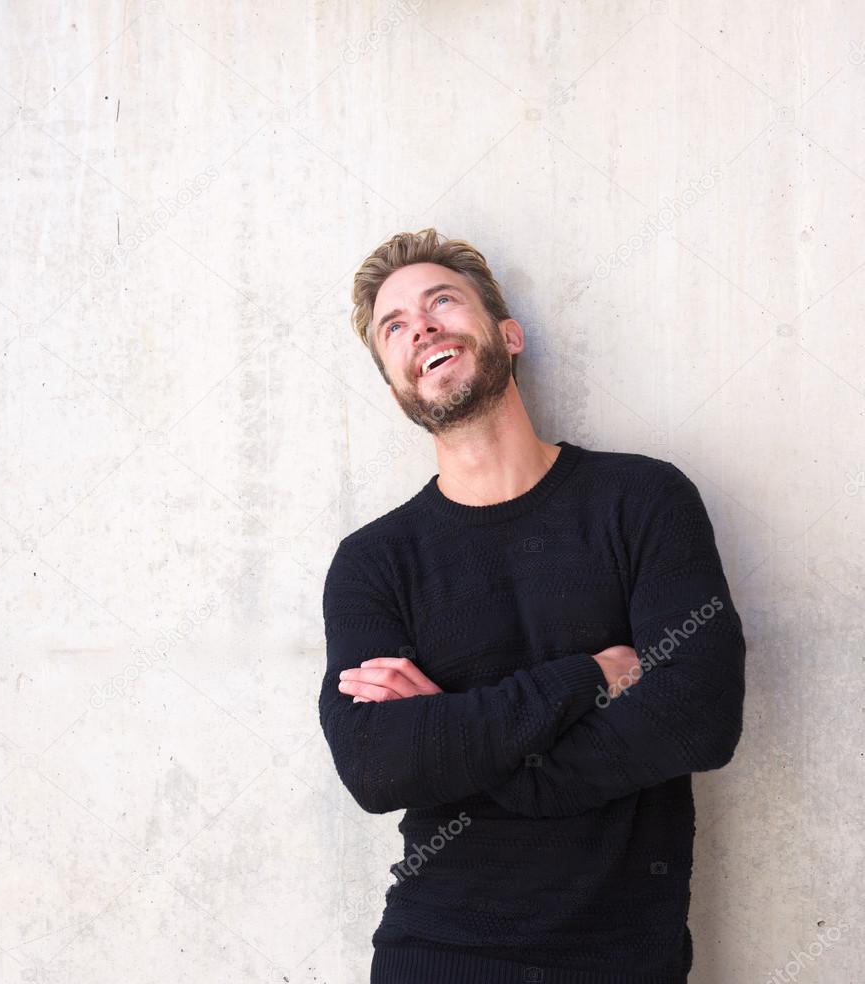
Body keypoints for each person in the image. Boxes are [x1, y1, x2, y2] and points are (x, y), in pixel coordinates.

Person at [318, 228, 746, 984]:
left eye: (441, 301)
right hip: (437, 953)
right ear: (395, 389)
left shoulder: (641, 501)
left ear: (507, 335)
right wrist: (585, 677)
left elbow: (698, 715)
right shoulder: (373, 562)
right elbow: (376, 766)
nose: (419, 325)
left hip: (623, 955)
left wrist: (473, 745)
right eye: (394, 325)